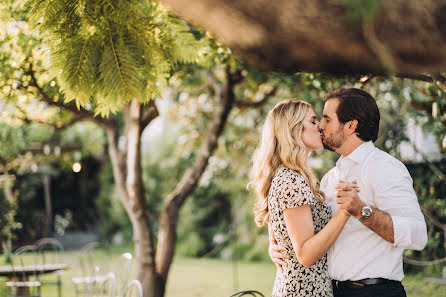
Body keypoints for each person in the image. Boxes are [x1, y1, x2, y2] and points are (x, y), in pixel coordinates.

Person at [269, 88, 428, 297]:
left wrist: (363, 211)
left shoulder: (385, 168)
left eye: (326, 119)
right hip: (331, 291)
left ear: (351, 126)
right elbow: (304, 227)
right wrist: (278, 245)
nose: (321, 126)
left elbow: (418, 235)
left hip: (374, 292)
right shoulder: (329, 178)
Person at [250, 99, 357, 297]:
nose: (320, 127)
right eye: (313, 121)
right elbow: (306, 255)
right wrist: (345, 212)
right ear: (293, 130)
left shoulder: (292, 176)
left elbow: (283, 236)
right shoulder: (291, 179)